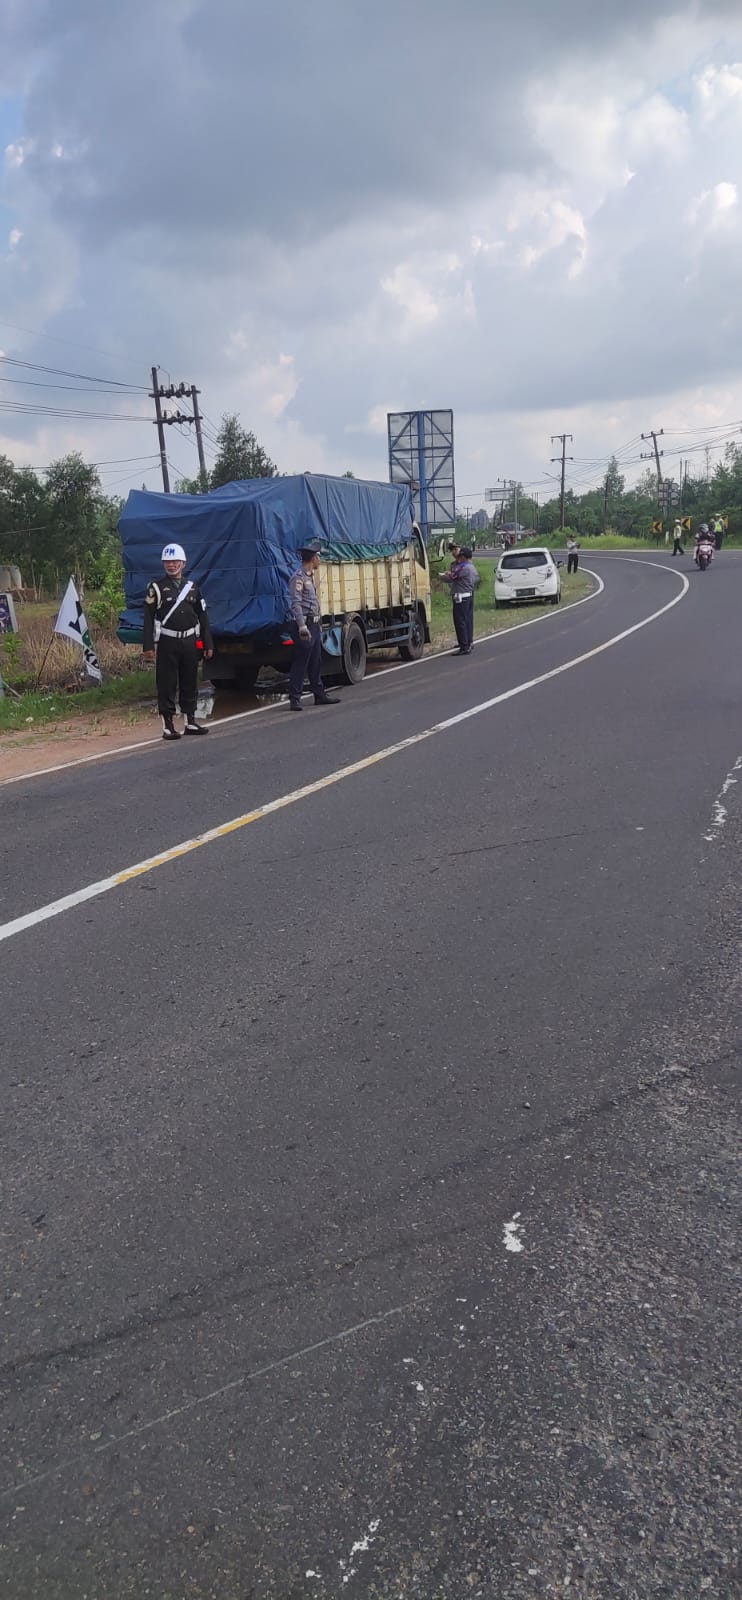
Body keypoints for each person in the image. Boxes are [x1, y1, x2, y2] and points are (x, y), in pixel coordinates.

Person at [142, 542, 213, 740]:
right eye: (167, 562)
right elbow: (148, 617)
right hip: (168, 642)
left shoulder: (192, 587)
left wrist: (208, 643)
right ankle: (168, 725)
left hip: (189, 641)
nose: (171, 565)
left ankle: (190, 721)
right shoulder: (156, 588)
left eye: (174, 561)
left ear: (183, 563)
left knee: (190, 681)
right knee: (167, 683)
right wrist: (148, 646)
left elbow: (203, 616)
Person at [287, 538, 340, 711]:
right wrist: (302, 626)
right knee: (301, 661)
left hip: (314, 625)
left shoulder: (310, 577)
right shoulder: (298, 578)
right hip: (304, 626)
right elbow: (295, 603)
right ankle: (295, 697)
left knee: (316, 661)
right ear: (313, 559)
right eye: (318, 556)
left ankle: (319, 694)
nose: (320, 559)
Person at [440, 544, 480, 655]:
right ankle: (466, 642)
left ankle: (464, 646)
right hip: (466, 594)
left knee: (460, 621)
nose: (456, 554)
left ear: (464, 556)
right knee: (465, 620)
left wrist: (442, 576)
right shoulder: (471, 567)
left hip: (461, 596)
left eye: (458, 552)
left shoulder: (464, 567)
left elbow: (451, 577)